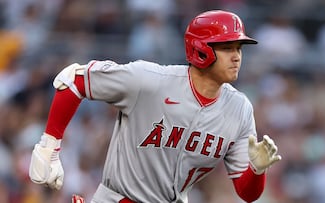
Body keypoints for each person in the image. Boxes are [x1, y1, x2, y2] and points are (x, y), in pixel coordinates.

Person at [28, 10, 281, 203]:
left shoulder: (240, 109)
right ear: (201, 49)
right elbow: (73, 80)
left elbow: (247, 193)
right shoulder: (150, 80)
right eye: (227, 48)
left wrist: (257, 169)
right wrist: (49, 147)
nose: (237, 56)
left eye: (239, 47)